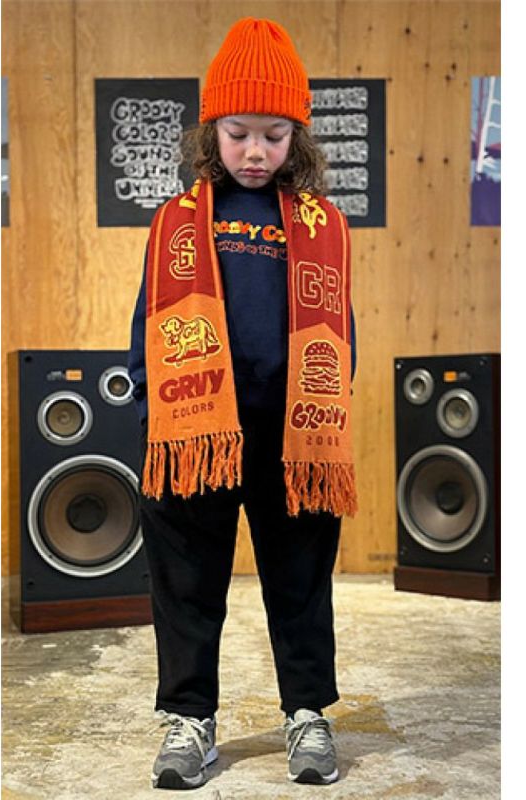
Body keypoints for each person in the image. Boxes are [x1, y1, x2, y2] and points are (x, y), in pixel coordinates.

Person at [128, 17, 358, 791]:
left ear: (298, 138)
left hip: (293, 434)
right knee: (187, 581)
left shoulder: (322, 226)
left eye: (273, 135)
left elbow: (341, 327)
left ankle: (308, 713)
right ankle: (189, 718)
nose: (255, 151)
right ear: (211, 132)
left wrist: (333, 406)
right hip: (196, 429)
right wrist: (153, 414)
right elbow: (150, 321)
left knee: (300, 579)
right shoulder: (177, 221)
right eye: (237, 134)